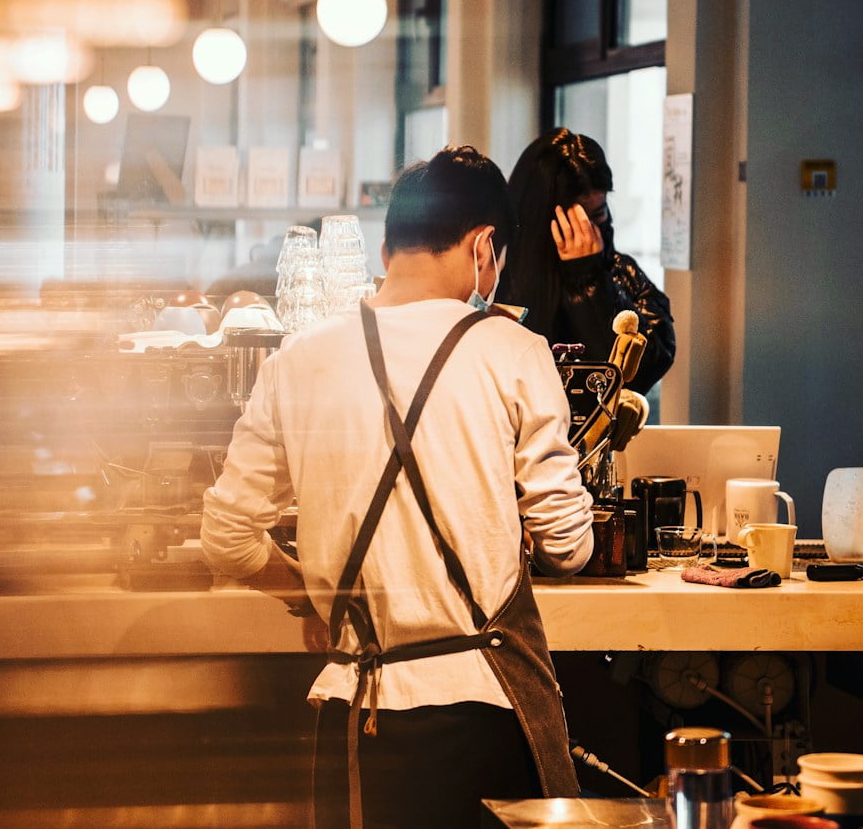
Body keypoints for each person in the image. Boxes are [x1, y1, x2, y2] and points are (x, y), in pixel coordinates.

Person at [201, 146, 594, 829]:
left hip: (357, 714)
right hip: (485, 712)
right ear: (484, 249)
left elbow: (227, 541)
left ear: (387, 248)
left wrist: (312, 596)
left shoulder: (299, 360)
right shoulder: (514, 350)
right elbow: (568, 544)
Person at [503, 128, 675, 391]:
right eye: (573, 223)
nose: (587, 232)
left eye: (598, 214)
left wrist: (588, 281)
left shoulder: (619, 272)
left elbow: (642, 371)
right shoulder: (495, 273)